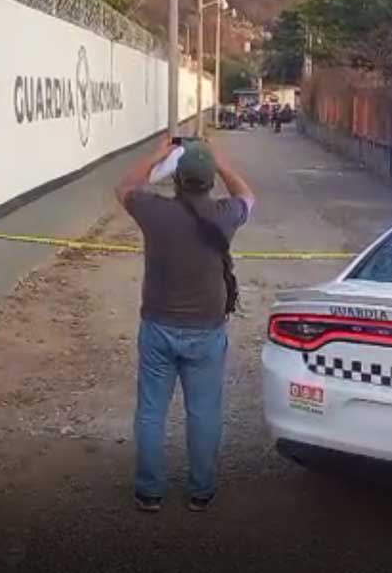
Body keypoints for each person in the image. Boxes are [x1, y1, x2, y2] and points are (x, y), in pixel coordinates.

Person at [115, 134, 255, 513]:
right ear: (210, 181)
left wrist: (158, 154)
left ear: (175, 179)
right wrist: (220, 161)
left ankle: (149, 491)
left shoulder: (153, 211)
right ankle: (200, 491)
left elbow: (125, 186)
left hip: (158, 325)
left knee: (150, 411)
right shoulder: (225, 215)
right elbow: (248, 196)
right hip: (206, 330)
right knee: (204, 411)